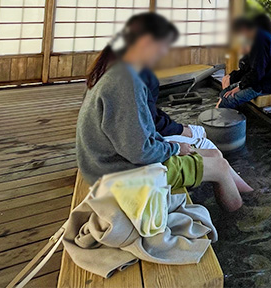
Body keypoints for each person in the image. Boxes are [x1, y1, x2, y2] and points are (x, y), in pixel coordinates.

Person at [77, 12, 252, 212]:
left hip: (104, 163)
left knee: (213, 153)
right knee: (219, 168)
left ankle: (247, 194)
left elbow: (138, 135)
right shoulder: (125, 80)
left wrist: (172, 143)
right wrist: (176, 148)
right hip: (118, 175)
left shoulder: (114, 69)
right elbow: (140, 151)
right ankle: (239, 217)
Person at [140, 68, 217, 150]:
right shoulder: (136, 78)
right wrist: (177, 145)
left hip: (150, 132)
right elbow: (148, 120)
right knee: (208, 145)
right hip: (147, 141)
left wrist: (176, 126)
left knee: (200, 131)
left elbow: (150, 110)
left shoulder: (141, 73)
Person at [217, 16, 271, 108]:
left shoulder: (259, 42)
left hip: (268, 84)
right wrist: (233, 78)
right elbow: (248, 67)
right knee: (224, 94)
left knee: (228, 99)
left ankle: (223, 118)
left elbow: (257, 73)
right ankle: (221, 114)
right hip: (261, 80)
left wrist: (240, 87)